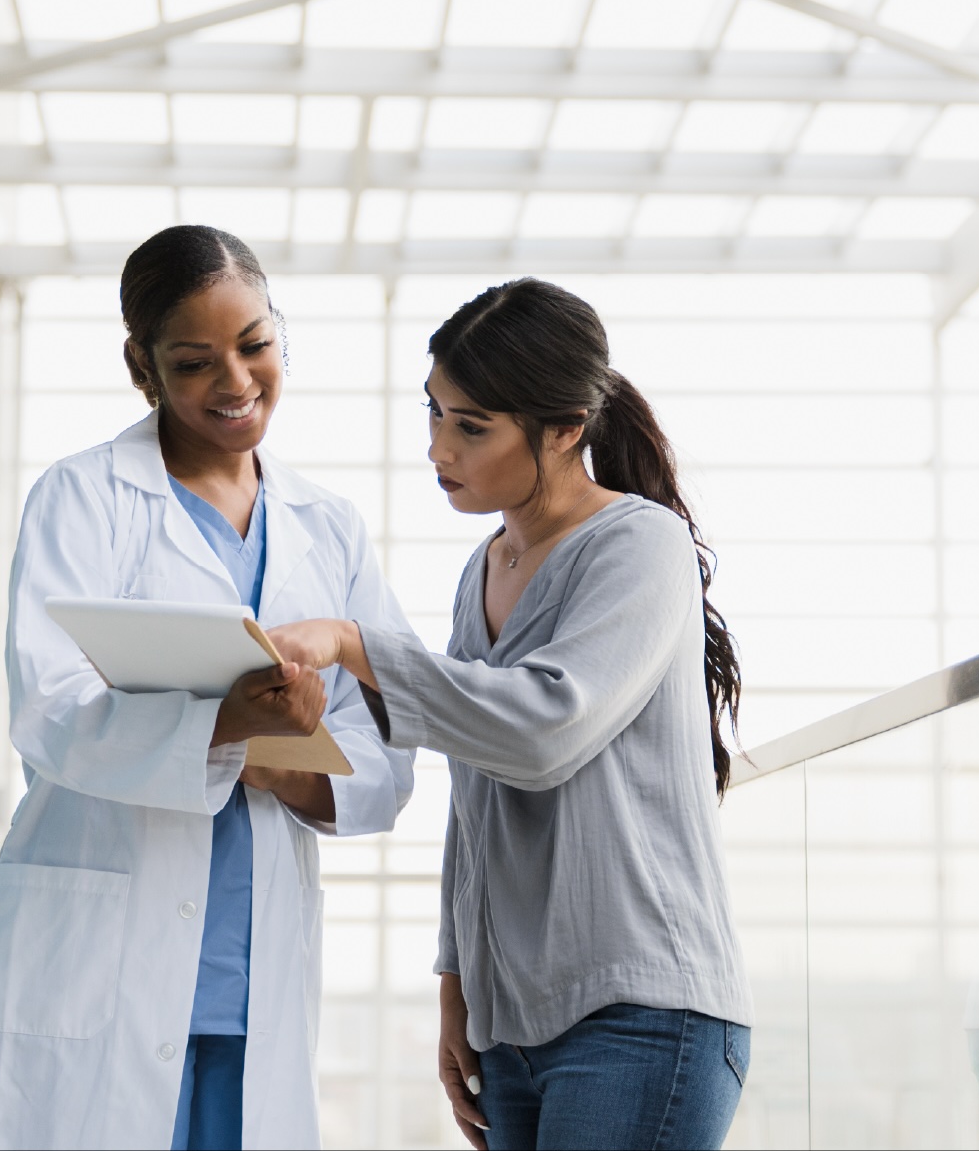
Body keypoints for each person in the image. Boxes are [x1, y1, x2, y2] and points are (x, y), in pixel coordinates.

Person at [0, 226, 414, 1151]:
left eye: (254, 345)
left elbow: (386, 751)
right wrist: (221, 725)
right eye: (194, 361)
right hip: (99, 955)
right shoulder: (83, 498)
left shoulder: (330, 526)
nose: (235, 381)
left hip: (250, 974)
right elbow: (48, 705)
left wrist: (274, 764)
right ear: (141, 365)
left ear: (281, 333)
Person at [269, 278, 754, 1151]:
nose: (437, 447)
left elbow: (541, 730)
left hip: (641, 1012)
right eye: (434, 413)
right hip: (512, 1027)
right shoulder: (483, 567)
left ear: (565, 429)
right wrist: (460, 991)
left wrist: (352, 643)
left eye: (470, 425)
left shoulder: (638, 543)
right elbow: (478, 791)